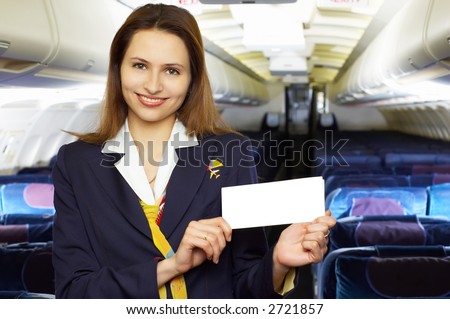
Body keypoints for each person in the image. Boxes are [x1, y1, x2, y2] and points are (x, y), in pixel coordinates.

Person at [52, 3, 336, 299]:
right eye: (139, 66)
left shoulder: (231, 153)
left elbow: (244, 287)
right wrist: (171, 266)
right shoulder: (76, 164)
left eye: (172, 71)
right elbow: (74, 293)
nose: (152, 85)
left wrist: (276, 262)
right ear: (117, 68)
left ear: (192, 80)